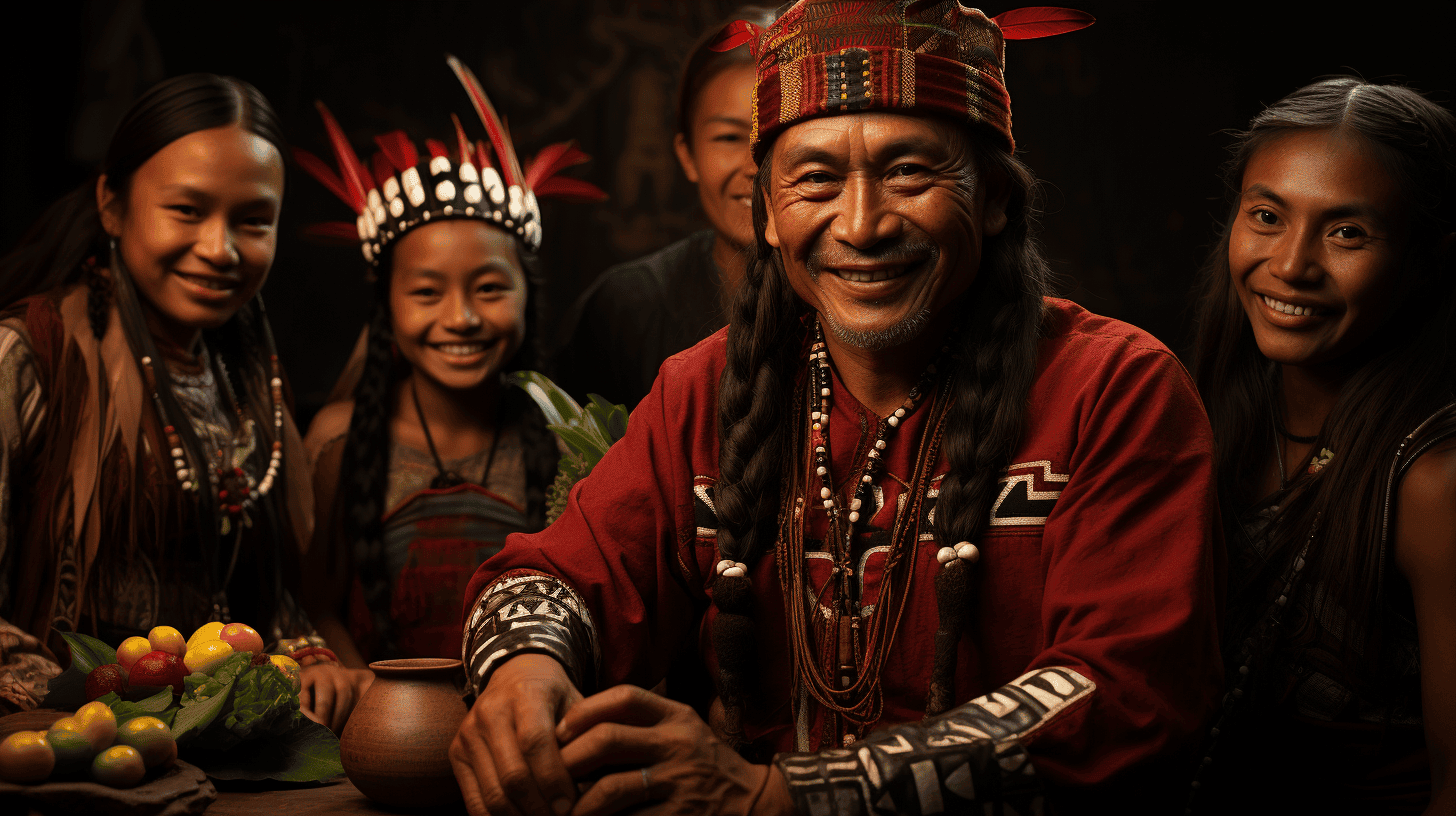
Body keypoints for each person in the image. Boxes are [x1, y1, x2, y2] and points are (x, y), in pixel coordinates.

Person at [449, 4, 1224, 816]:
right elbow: (554, 573)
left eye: (910, 173)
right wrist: (521, 674)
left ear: (993, 198)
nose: (861, 225)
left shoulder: (1116, 390)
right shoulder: (705, 388)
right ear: (771, 216)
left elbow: (1127, 692)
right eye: (815, 180)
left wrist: (781, 796)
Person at [0, 73, 355, 722]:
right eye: (188, 210)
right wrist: (75, 698)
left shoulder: (250, 380)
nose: (219, 250)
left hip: (219, 745)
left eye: (253, 222)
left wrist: (303, 655)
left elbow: (255, 580)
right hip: (72, 747)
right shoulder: (30, 359)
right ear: (113, 203)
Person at [297, 58, 602, 730]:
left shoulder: (567, 441)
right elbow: (315, 602)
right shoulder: (343, 444)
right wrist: (346, 676)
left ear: (528, 297)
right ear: (386, 309)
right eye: (426, 292)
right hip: (384, 732)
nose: (461, 318)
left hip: (527, 728)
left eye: (490, 289)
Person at [1188, 78, 1456, 814]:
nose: (1292, 265)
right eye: (1268, 216)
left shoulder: (1435, 480)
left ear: (1431, 258)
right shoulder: (1210, 417)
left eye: (1348, 233)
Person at [551, 7, 774, 408]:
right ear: (686, 154)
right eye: (727, 138)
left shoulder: (855, 298)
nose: (754, 166)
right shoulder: (626, 310)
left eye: (773, 135)